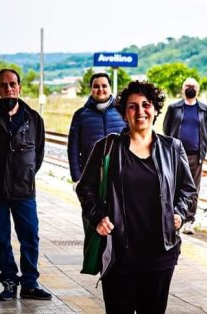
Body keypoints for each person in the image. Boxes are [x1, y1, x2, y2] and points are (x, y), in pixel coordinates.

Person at [76, 81, 197, 314]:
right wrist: (98, 217)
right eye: (132, 106)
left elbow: (187, 189)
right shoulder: (107, 147)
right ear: (124, 113)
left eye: (146, 105)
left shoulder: (173, 148)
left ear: (155, 109)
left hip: (160, 254)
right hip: (120, 253)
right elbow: (85, 188)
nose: (140, 111)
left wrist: (180, 214)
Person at [0, 69, 51, 301]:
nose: (9, 89)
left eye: (13, 84)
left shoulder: (34, 118)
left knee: (30, 237)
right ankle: (8, 280)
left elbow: (38, 154)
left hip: (24, 191)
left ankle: (29, 283)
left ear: (20, 87)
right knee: (1, 238)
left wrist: (24, 176)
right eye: (4, 85)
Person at [162, 77, 207, 235]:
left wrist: (201, 149)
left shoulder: (205, 109)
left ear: (198, 89)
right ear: (183, 89)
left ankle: (189, 220)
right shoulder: (174, 108)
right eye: (187, 85)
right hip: (176, 155)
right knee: (174, 186)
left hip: (196, 156)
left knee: (193, 189)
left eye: (193, 86)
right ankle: (175, 217)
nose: (190, 88)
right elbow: (166, 129)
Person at [67, 72, 125, 183]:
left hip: (119, 176)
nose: (100, 89)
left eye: (104, 86)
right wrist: (77, 178)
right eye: (96, 86)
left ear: (110, 88)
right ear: (91, 89)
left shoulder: (122, 112)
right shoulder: (80, 115)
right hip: (90, 177)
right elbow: (73, 149)